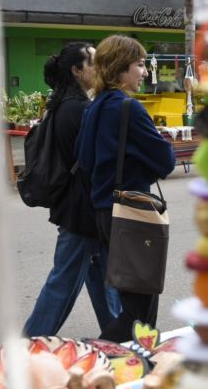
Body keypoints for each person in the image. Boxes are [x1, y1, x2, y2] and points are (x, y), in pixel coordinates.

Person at [75, 35, 176, 343]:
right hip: (134, 215)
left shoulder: (94, 107)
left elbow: (84, 160)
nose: (144, 72)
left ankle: (134, 367)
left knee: (134, 302)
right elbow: (166, 161)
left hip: (106, 213)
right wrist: (154, 151)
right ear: (121, 69)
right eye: (140, 65)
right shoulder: (129, 109)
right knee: (139, 311)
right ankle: (99, 356)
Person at [23, 42, 121, 337]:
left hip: (82, 208)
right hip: (83, 212)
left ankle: (119, 338)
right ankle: (30, 345)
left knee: (105, 279)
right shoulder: (79, 110)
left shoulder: (64, 106)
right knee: (63, 283)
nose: (98, 68)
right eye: (92, 63)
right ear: (76, 71)